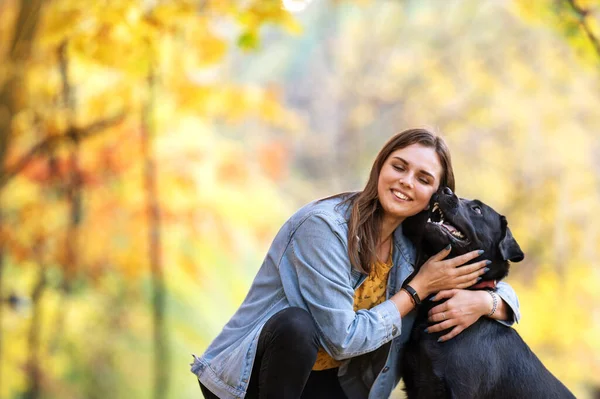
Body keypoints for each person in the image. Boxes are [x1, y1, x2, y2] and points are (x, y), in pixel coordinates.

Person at [190, 128, 520, 399]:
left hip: (328, 380)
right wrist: (416, 290)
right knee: (297, 325)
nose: (406, 181)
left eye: (423, 178)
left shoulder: (415, 240)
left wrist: (486, 302)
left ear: (435, 195)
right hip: (250, 380)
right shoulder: (324, 228)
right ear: (380, 166)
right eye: (399, 166)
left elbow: (492, 277)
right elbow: (342, 339)